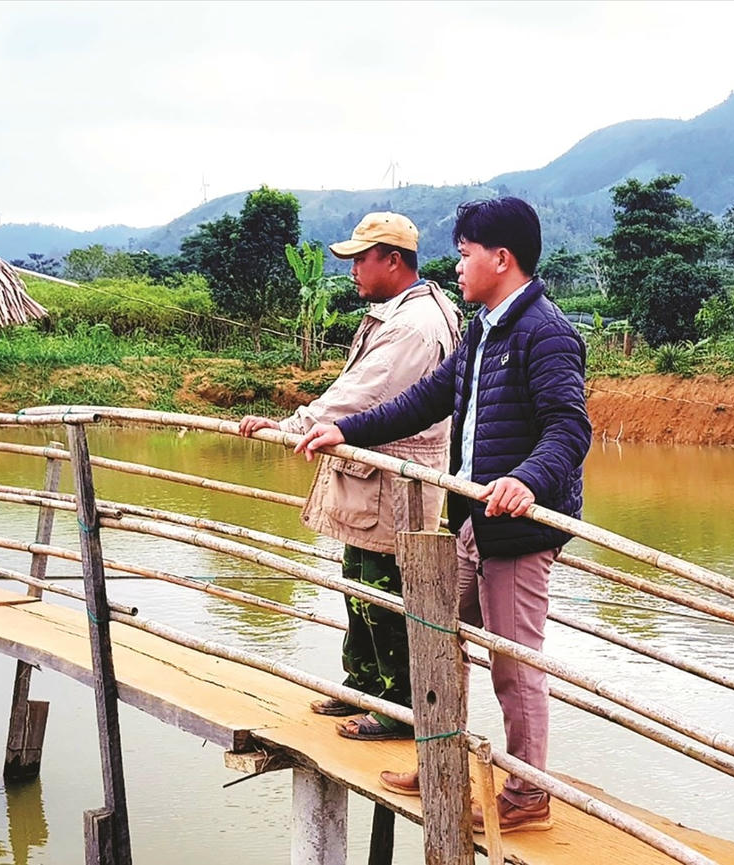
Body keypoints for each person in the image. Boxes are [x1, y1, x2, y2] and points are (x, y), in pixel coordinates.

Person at [294, 197, 590, 833]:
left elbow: (569, 429)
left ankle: (526, 792)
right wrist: (343, 430)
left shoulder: (548, 334)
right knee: (435, 637)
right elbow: (424, 401)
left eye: (464, 255)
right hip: (470, 519)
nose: (456, 268)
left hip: (516, 526)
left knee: (514, 664)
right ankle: (440, 765)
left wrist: (525, 480)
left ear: (500, 258)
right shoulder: (483, 328)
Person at [239, 211, 460, 741]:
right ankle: (362, 684)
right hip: (373, 474)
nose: (354, 270)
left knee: (383, 593)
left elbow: (359, 394)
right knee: (358, 582)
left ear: (393, 260)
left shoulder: (413, 325)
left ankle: (396, 706)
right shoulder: (407, 313)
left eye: (361, 259)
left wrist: (295, 423)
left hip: (394, 482)